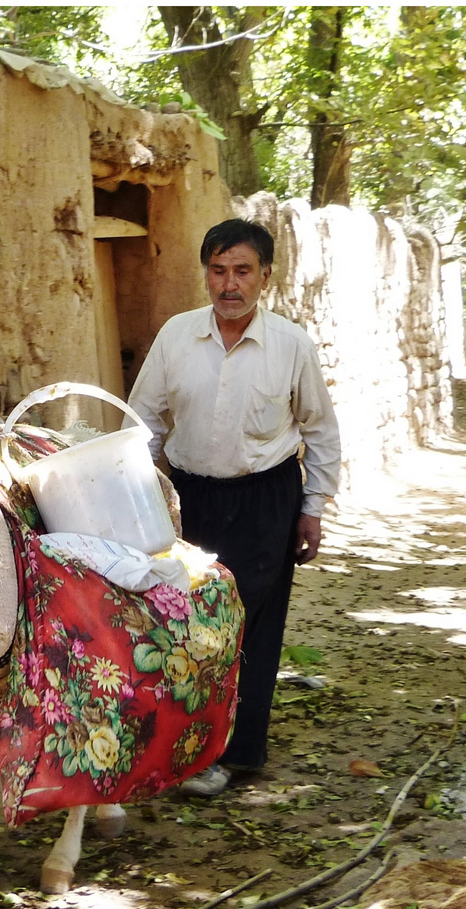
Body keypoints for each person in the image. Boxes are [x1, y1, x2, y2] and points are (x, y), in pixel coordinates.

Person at [127, 218, 342, 798]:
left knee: (246, 625)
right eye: (218, 271)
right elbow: (143, 419)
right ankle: (180, 744)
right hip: (190, 499)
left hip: (265, 499)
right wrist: (134, 491)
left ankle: (235, 751)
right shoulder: (176, 336)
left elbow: (319, 431)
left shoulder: (290, 345)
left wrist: (313, 507)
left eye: (242, 271)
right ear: (205, 275)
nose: (230, 284)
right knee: (180, 621)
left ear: (265, 277)